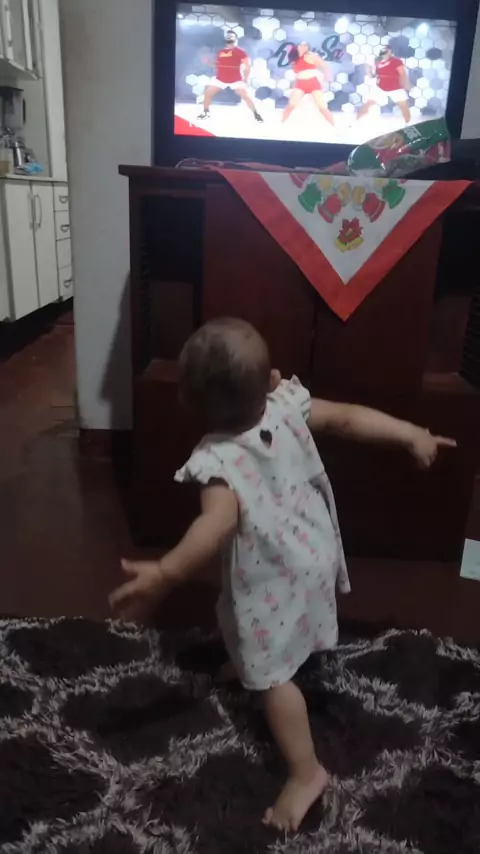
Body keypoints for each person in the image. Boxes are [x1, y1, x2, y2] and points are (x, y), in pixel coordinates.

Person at [110, 318, 456, 833]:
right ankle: (251, 657)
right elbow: (348, 419)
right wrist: (410, 433)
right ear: (271, 379)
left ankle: (305, 771)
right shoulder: (287, 404)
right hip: (312, 550)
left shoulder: (217, 459)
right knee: (232, 611)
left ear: (189, 403)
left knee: (272, 678)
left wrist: (166, 571)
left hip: (272, 572)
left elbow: (215, 525)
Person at [198, 29, 263, 122]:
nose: (229, 37)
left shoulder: (240, 51)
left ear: (235, 38)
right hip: (220, 79)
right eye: (228, 36)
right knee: (208, 93)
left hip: (235, 79)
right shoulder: (221, 52)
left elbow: (247, 66)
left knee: (245, 96)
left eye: (231, 36)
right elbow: (218, 65)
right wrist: (208, 62)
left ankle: (256, 114)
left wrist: (246, 79)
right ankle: (206, 112)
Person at [282, 41, 334, 127]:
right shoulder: (295, 58)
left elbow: (324, 66)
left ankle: (335, 126)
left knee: (322, 108)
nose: (303, 47)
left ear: (308, 48)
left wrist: (326, 76)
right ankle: (281, 124)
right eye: (301, 45)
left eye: (305, 45)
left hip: (313, 83)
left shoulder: (310, 55)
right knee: (290, 106)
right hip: (300, 84)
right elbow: (296, 71)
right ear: (298, 46)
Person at [357, 45, 412, 124]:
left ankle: (408, 124)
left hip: (395, 88)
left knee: (403, 107)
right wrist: (369, 71)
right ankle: (356, 121)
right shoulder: (378, 61)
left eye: (387, 50)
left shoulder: (396, 61)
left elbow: (402, 74)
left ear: (391, 52)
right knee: (368, 104)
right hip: (381, 87)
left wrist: (406, 84)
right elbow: (374, 75)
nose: (385, 52)